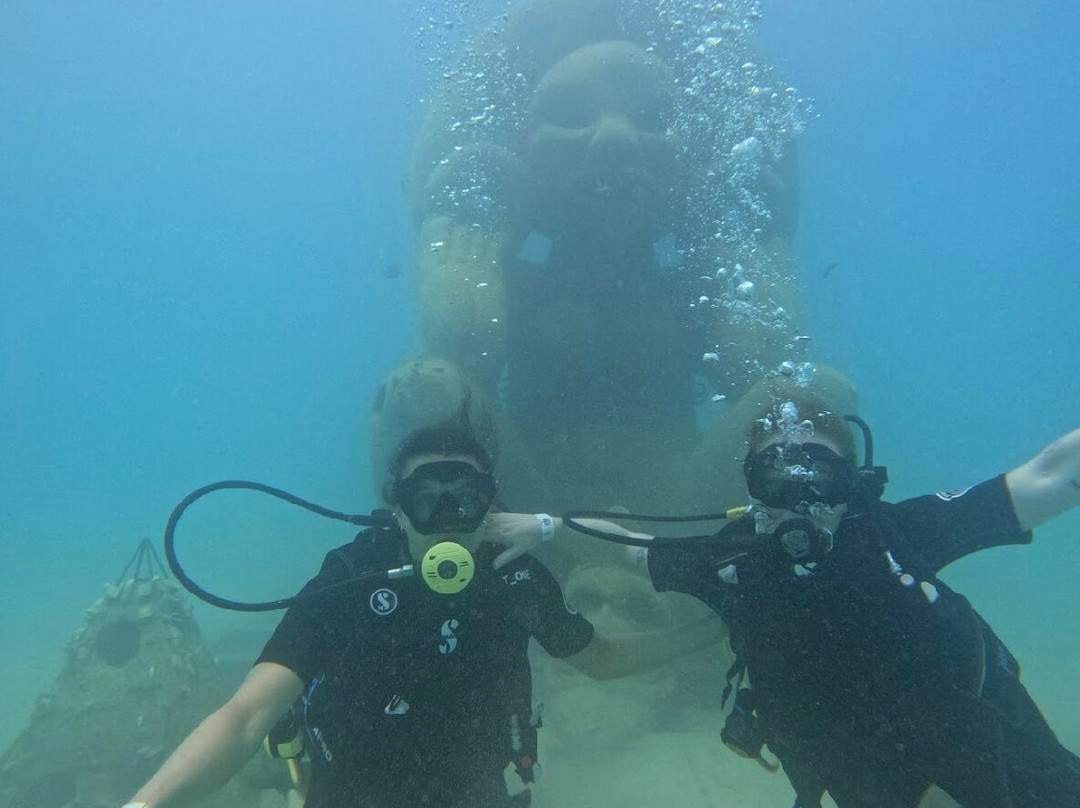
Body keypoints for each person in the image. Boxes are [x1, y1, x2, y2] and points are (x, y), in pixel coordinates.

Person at [489, 393, 1080, 807]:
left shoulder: (899, 531)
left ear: (853, 483)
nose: (800, 499)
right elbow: (635, 547)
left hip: (985, 739)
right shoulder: (731, 562)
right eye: (777, 478)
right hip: (857, 774)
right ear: (750, 487)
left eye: (819, 477)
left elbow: (1042, 481)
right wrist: (544, 525)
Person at [122, 406, 721, 808]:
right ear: (397, 508)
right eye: (426, 500)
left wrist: (709, 632)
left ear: (492, 506)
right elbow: (247, 716)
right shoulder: (353, 576)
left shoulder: (516, 580)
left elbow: (602, 659)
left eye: (465, 500)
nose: (447, 522)